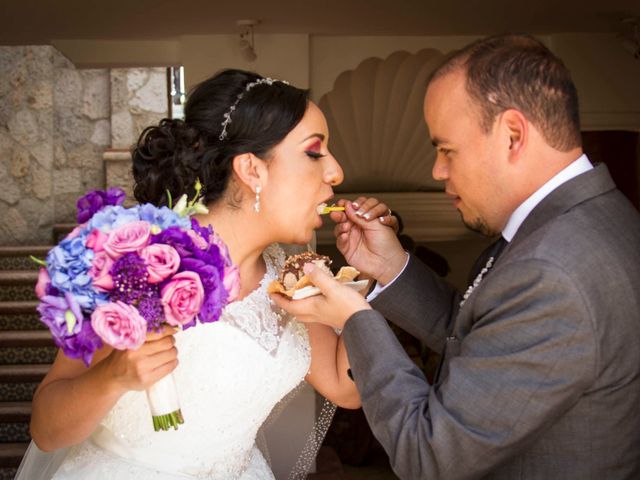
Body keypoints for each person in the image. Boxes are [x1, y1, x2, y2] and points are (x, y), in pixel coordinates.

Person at [273, 34, 640, 479]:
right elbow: (488, 334)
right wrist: (392, 267)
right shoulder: (588, 218)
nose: (437, 170)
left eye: (447, 150)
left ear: (512, 135)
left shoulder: (553, 268)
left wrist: (356, 318)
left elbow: (429, 456)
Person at [18, 69, 395, 479]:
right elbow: (47, 430)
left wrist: (373, 273)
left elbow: (346, 388)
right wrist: (112, 377)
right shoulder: (140, 263)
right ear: (252, 169)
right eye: (314, 152)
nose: (336, 173)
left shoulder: (290, 277)